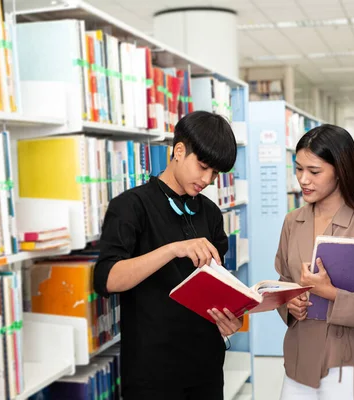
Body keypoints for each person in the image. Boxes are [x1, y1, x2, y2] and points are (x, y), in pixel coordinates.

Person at [93, 110, 243, 400]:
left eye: (215, 173)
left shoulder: (210, 212)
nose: (207, 179)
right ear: (178, 151)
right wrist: (173, 249)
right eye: (202, 166)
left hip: (206, 367)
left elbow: (220, 284)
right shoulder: (131, 206)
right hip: (153, 371)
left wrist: (232, 317)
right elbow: (107, 279)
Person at [275, 124, 354, 400]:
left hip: (346, 366)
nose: (303, 179)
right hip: (299, 361)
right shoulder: (292, 222)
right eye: (298, 169)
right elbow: (284, 282)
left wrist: (332, 295)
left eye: (314, 171)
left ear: (340, 171)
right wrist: (289, 303)